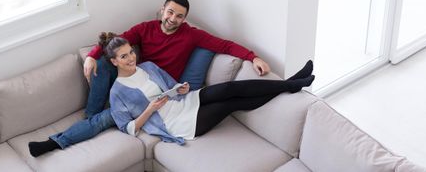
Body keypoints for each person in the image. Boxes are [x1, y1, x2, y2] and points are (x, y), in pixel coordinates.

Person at [29, 0, 272, 156]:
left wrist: (254, 57)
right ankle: (88, 115)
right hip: (135, 83)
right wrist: (92, 55)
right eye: (170, 12)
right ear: (162, 10)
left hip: (157, 88)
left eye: (179, 16)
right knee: (103, 67)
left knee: (106, 120)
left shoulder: (191, 35)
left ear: (184, 18)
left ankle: (60, 139)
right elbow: (116, 43)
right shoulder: (145, 29)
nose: (173, 19)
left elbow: (225, 46)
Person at [105, 34, 314, 142]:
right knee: (230, 105)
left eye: (131, 52)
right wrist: (150, 109)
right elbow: (128, 128)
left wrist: (181, 88)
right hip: (178, 124)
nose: (131, 58)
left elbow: (171, 86)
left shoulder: (147, 67)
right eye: (124, 56)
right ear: (114, 62)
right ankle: (291, 85)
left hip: (186, 101)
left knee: (229, 88)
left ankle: (290, 83)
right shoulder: (117, 92)